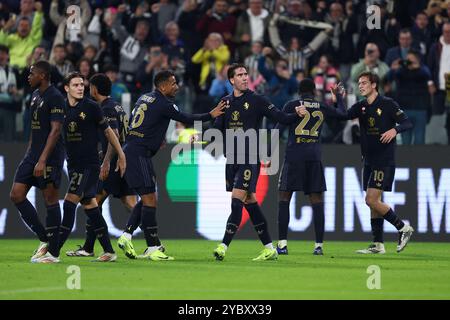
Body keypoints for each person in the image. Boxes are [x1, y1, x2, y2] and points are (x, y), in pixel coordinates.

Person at [117, 70, 225, 261]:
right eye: (173, 83)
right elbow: (186, 117)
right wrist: (211, 114)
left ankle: (127, 235)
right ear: (163, 86)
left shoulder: (145, 98)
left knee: (148, 197)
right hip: (139, 153)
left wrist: (155, 137)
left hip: (134, 150)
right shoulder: (163, 103)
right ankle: (152, 247)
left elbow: (142, 122)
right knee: (150, 199)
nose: (177, 86)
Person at [212, 63, 302, 261]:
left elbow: (282, 117)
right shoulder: (225, 102)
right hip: (232, 159)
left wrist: (297, 114)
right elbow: (217, 129)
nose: (245, 77)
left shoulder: (257, 100)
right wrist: (199, 136)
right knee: (249, 201)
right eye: (240, 75)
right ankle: (269, 248)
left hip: (250, 158)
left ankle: (223, 246)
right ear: (231, 80)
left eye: (246, 74)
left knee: (236, 201)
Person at [64, 73, 139, 257]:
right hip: (125, 158)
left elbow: (111, 133)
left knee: (92, 202)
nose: (87, 90)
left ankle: (90, 248)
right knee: (130, 203)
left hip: (112, 162)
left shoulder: (104, 108)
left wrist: (105, 161)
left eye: (89, 87)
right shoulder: (117, 106)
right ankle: (154, 241)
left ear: (95, 89)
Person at [342, 72, 415, 254]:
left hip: (383, 159)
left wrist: (394, 130)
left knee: (371, 199)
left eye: (364, 83)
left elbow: (407, 123)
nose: (360, 86)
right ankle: (378, 244)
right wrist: (338, 98)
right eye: (359, 83)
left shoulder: (388, 104)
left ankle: (403, 228)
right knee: (373, 202)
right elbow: (343, 115)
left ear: (374, 85)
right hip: (368, 159)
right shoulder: (361, 106)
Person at [276, 79, 346, 256]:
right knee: (316, 201)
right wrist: (338, 98)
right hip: (314, 157)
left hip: (293, 156)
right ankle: (318, 246)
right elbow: (343, 117)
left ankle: (282, 244)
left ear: (299, 92)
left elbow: (277, 129)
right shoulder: (321, 106)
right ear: (314, 91)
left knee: (284, 198)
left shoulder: (292, 105)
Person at [9, 60, 65, 263]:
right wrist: (30, 155)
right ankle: (44, 239)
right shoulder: (34, 96)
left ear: (42, 76)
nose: (28, 76)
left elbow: (56, 130)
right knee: (16, 195)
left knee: (50, 200)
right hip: (32, 155)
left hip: (49, 157)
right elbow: (35, 129)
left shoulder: (55, 97)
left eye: (32, 73)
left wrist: (42, 159)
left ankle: (53, 252)